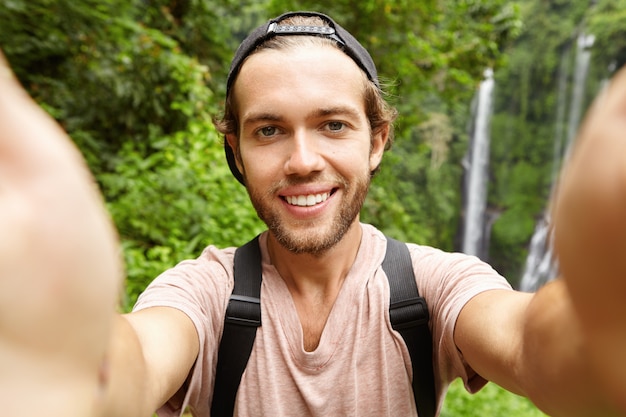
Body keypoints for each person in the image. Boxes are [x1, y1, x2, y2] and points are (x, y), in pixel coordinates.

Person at [0, 10, 625, 417]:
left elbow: (527, 343)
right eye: (269, 130)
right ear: (235, 152)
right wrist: (68, 358)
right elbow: (136, 356)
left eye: (332, 124)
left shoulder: (432, 287)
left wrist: (601, 327)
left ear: (376, 140)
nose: (303, 160)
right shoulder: (207, 294)